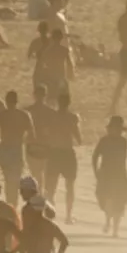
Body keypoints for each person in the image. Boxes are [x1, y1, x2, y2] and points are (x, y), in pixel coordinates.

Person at [92, 115, 127, 237]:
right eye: (114, 128)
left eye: (118, 129)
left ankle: (115, 229)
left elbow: (122, 159)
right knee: (104, 200)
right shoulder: (104, 141)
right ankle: (108, 221)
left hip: (119, 173)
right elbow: (95, 157)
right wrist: (96, 171)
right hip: (106, 173)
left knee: (119, 202)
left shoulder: (123, 141)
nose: (116, 131)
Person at [47, 92, 82, 222]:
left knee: (51, 186)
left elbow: (47, 134)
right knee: (70, 186)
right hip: (67, 153)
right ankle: (68, 215)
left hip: (54, 152)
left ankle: (50, 212)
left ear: (58, 102)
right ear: (69, 103)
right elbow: (79, 139)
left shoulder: (52, 117)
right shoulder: (72, 118)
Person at [0, 90, 35, 205]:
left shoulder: (2, 115)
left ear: (6, 101)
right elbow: (32, 135)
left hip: (4, 148)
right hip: (17, 148)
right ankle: (13, 204)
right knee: (15, 180)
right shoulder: (24, 115)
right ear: (16, 101)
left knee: (8, 180)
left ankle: (10, 204)